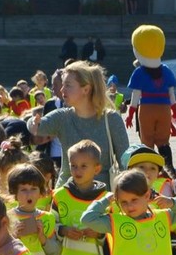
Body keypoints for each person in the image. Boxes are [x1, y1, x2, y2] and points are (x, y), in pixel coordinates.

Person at [32, 61, 129, 189]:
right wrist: (33, 123)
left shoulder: (111, 119)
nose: (62, 90)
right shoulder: (62, 116)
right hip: (66, 196)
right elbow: (38, 127)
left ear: (86, 89)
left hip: (103, 197)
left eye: (68, 85)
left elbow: (126, 162)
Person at [125, 25, 176, 175]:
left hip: (147, 109)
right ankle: (169, 169)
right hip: (164, 109)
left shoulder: (139, 73)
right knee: (163, 141)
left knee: (147, 141)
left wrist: (130, 114)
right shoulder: (167, 70)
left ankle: (149, 170)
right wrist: (174, 110)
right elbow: (171, 94)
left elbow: (135, 97)